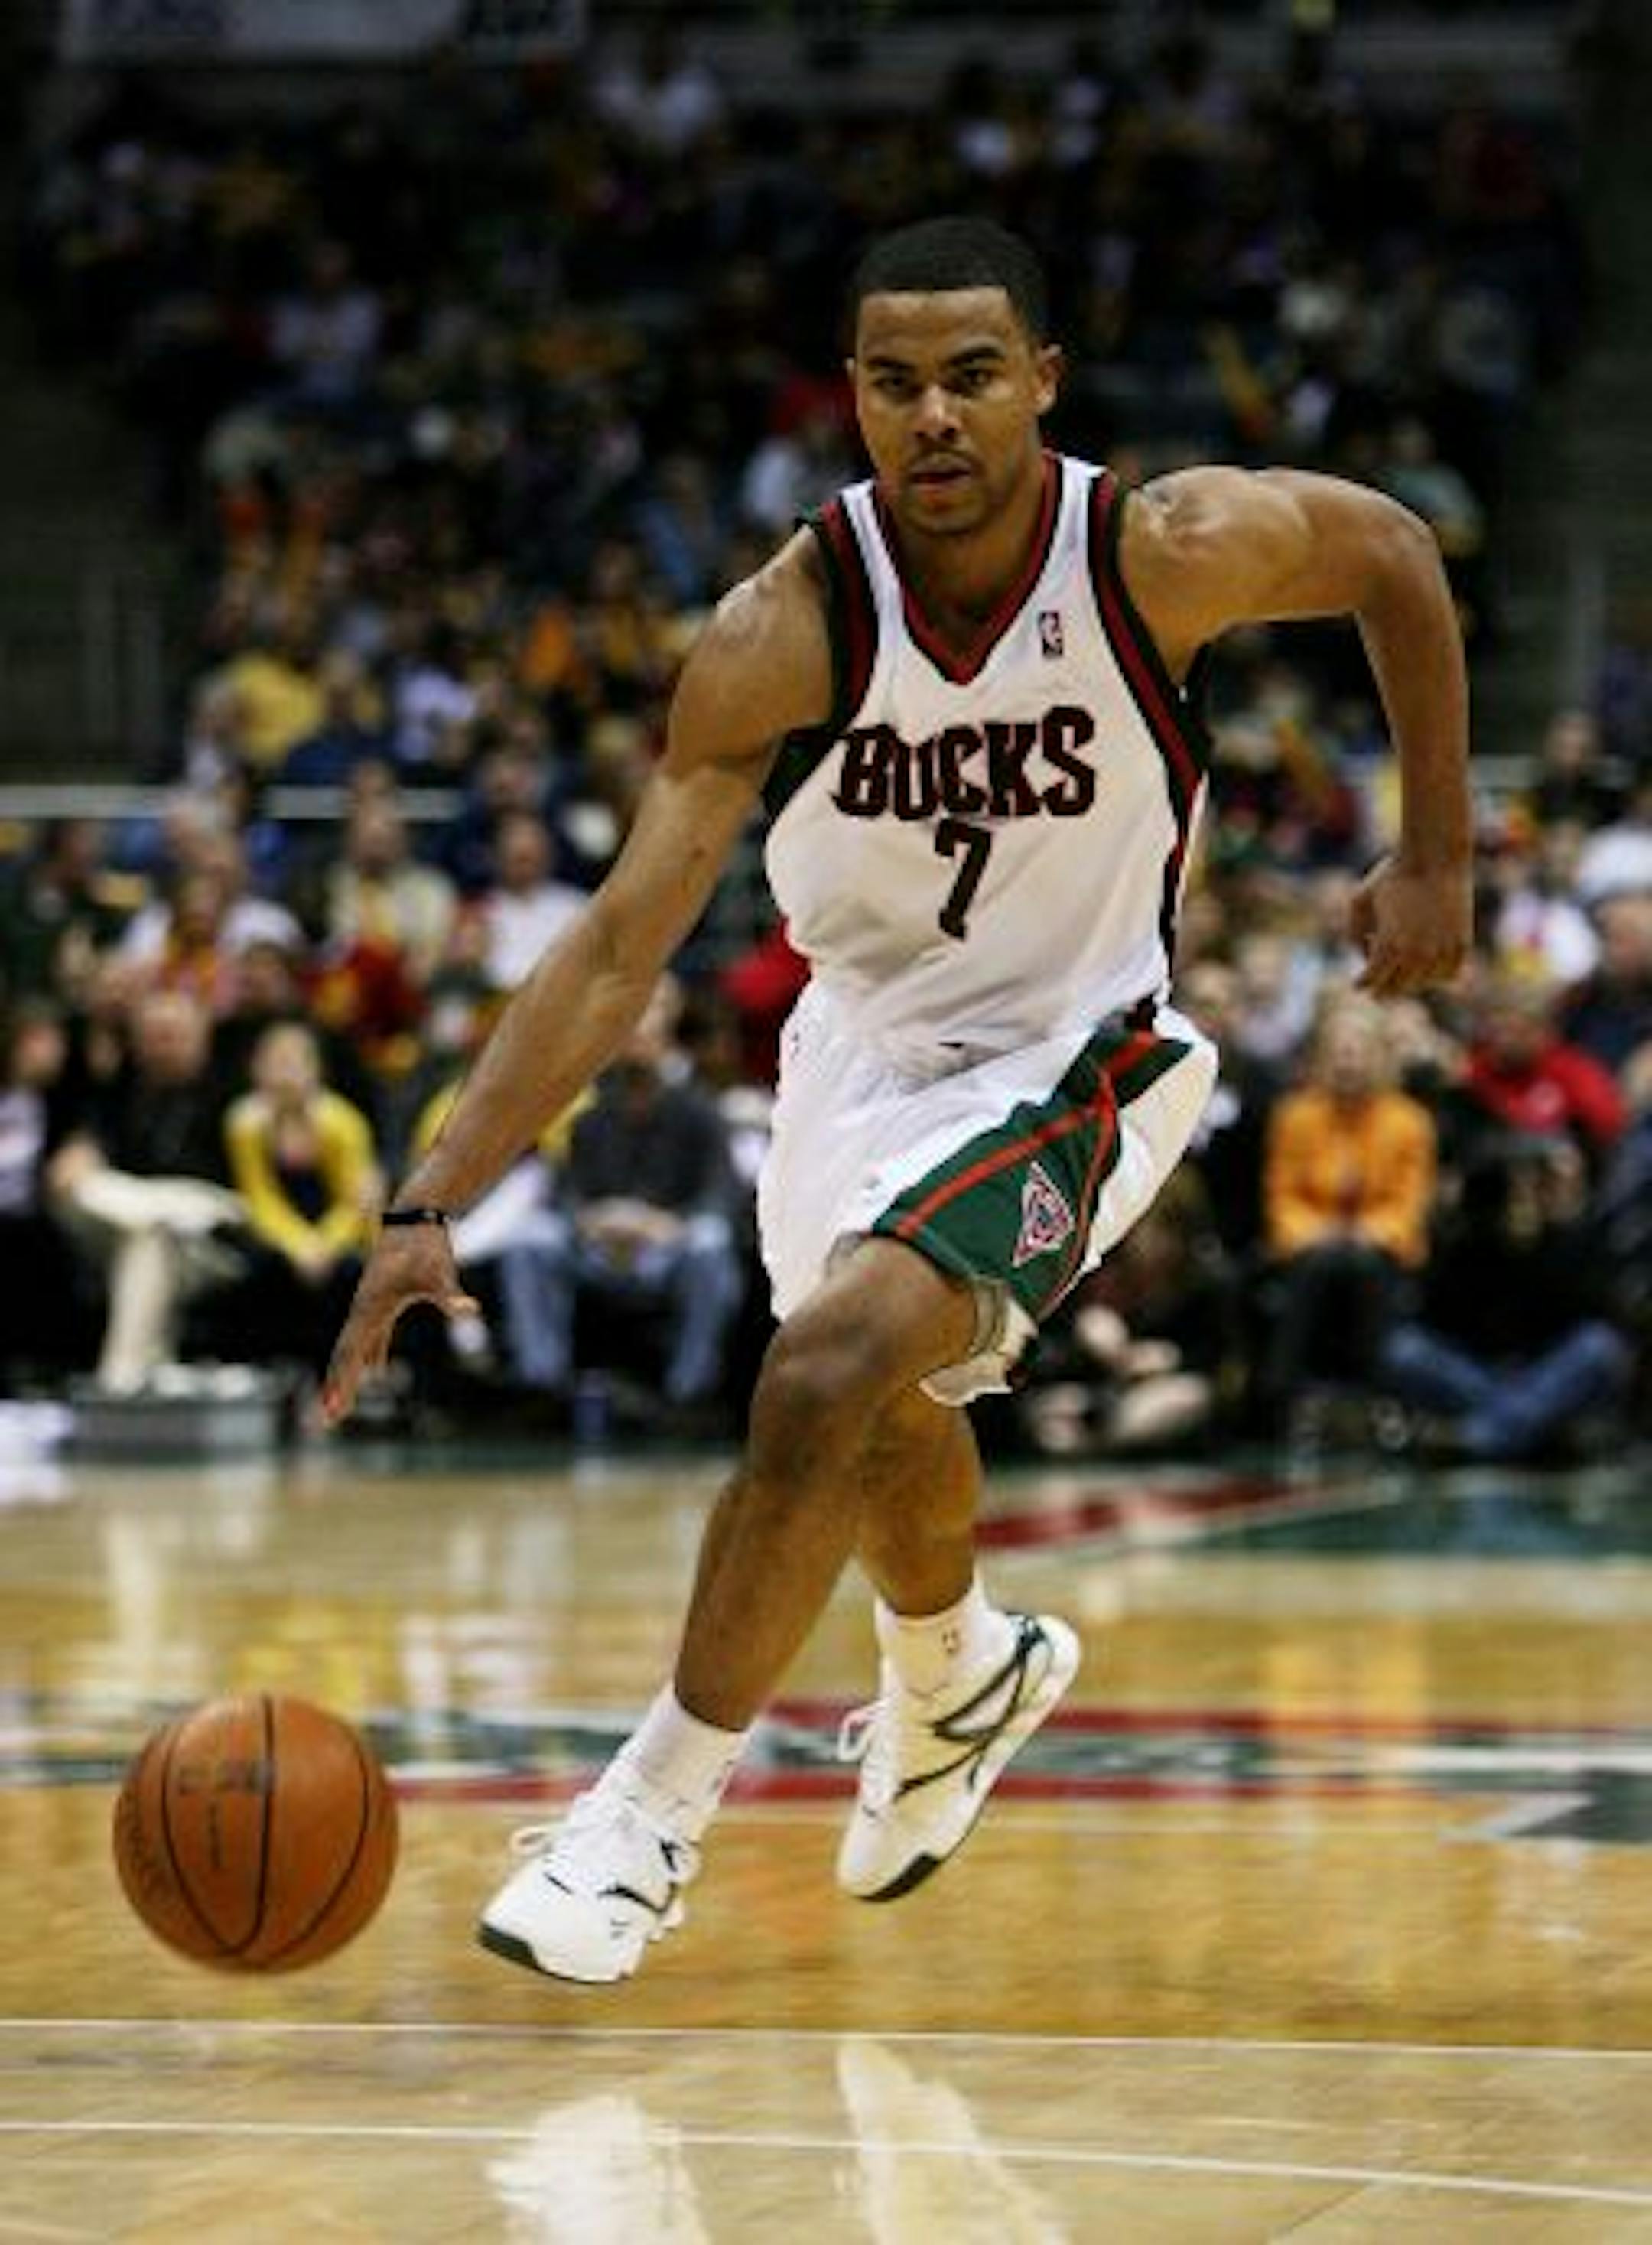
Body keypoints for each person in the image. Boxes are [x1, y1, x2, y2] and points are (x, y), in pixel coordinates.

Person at [322, 216, 1472, 1985]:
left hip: (1086, 1047)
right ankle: (959, 1673)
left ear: (1044, 387)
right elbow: (621, 948)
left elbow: (1394, 550)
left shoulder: (1156, 553)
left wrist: (1438, 854)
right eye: (892, 381)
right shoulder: (781, 626)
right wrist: (430, 1200)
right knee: (872, 1412)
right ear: (851, 399)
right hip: (858, 1058)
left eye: (972, 377)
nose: (933, 417)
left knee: (831, 1368)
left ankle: (645, 1820)